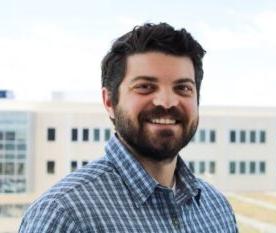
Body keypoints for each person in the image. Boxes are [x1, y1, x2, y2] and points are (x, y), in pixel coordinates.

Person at [19, 23, 238, 232]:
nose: (167, 102)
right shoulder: (64, 215)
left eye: (183, 88)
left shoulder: (217, 208)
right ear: (109, 102)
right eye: (145, 87)